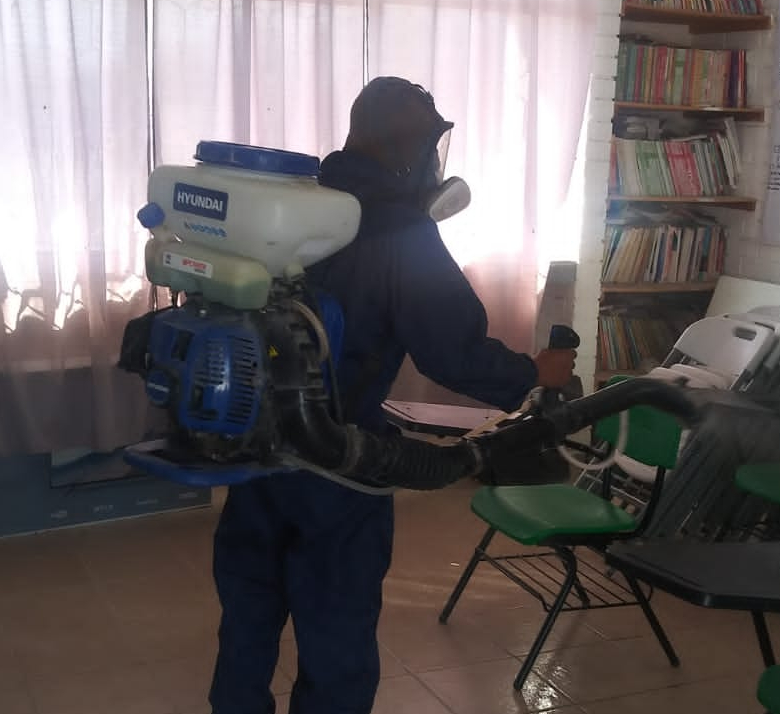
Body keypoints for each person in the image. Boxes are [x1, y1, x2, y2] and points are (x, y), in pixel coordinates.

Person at [208, 76, 577, 714]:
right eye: (431, 145)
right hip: (337, 464)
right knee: (336, 629)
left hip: (257, 449)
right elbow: (453, 350)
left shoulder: (294, 208)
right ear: (411, 152)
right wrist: (532, 374)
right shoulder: (399, 230)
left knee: (248, 612)